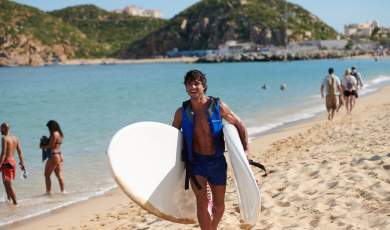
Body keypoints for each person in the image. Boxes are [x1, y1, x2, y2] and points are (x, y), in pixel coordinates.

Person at [172, 70, 249, 230]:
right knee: (202, 202)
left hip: (217, 161)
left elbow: (240, 125)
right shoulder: (181, 112)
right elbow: (171, 138)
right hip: (195, 162)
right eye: (189, 84)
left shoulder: (218, 106)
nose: (193, 86)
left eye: (196, 83)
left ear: (203, 85)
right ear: (185, 87)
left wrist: (246, 152)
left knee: (219, 206)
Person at [0, 123, 25, 205]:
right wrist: (22, 163)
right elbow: (20, 152)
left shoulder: (4, 138)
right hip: (13, 162)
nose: (0, 130)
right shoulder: (15, 138)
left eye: (1, 128)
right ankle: (9, 200)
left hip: (6, 162)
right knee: (5, 182)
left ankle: (15, 203)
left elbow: (3, 153)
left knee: (8, 184)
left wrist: (0, 164)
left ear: (5, 128)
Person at [40, 120, 64, 194]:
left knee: (46, 175)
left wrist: (42, 146)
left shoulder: (54, 134)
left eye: (49, 128)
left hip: (53, 156)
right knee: (59, 175)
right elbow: (55, 144)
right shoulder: (60, 134)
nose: (49, 129)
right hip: (59, 154)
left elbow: (51, 146)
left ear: (52, 127)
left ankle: (48, 192)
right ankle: (63, 191)